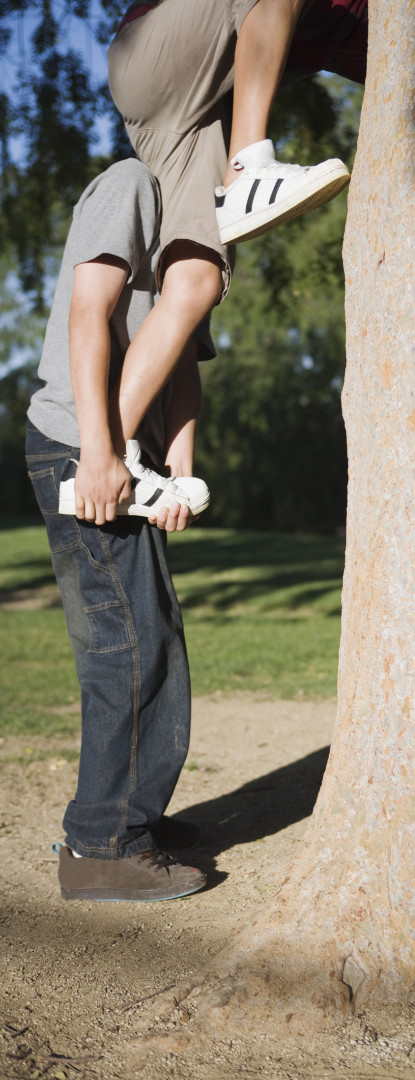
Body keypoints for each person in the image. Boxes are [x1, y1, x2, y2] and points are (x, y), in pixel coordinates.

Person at [97, 0, 367, 517]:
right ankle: (250, 168)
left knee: (195, 284)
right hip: (153, 56)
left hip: (198, 110)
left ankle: (110, 456)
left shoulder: (362, 21)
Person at [26, 158, 210, 901]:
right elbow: (87, 311)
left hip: (137, 457)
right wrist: (100, 454)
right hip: (85, 442)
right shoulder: (134, 184)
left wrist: (181, 476)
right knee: (123, 644)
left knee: (153, 637)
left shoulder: (192, 230)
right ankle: (101, 844)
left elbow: (186, 368)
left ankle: (133, 816)